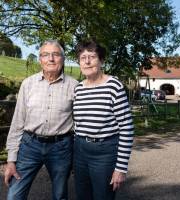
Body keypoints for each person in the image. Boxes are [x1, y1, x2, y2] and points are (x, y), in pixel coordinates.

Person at [4, 40, 78, 200]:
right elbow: (17, 122)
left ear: (63, 59)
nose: (51, 59)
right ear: (40, 60)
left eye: (56, 54)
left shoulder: (74, 86)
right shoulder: (28, 84)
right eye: (45, 54)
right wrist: (11, 159)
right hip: (29, 146)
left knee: (60, 196)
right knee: (14, 195)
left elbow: (80, 124)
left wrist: (76, 156)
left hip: (61, 148)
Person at [73, 39, 134, 200]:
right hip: (80, 150)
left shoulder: (114, 86)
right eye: (82, 58)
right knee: (82, 195)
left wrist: (120, 168)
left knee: (103, 196)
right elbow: (77, 124)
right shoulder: (78, 89)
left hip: (105, 153)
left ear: (101, 61)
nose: (87, 61)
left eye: (92, 56)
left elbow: (127, 128)